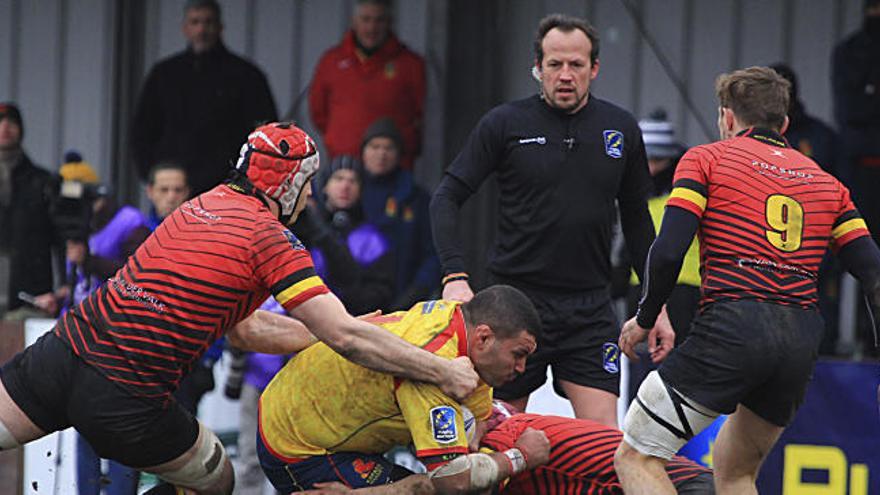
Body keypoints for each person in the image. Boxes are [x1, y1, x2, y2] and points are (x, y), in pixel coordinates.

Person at [0, 122, 479, 495]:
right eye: (307, 183)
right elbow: (348, 339)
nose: (311, 195)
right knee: (218, 479)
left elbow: (245, 330)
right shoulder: (271, 237)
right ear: (289, 186)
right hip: (126, 393)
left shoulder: (198, 206)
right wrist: (441, 370)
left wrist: (328, 331)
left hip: (63, 352)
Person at [614, 66, 880, 495]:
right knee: (735, 471)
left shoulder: (705, 159)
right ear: (786, 125)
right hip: (798, 341)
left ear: (727, 118)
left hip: (732, 325)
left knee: (637, 456)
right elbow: (874, 274)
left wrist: (645, 317)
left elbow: (667, 251)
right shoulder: (829, 185)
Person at [431, 13, 669, 427]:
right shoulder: (504, 124)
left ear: (594, 69)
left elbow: (638, 225)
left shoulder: (620, 129)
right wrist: (455, 275)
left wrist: (656, 303)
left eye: (576, 65)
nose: (565, 75)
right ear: (537, 68)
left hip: (589, 309)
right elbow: (446, 197)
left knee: (603, 446)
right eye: (554, 64)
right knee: (497, 438)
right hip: (514, 303)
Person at [257, 285, 548, 494]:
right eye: (518, 354)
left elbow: (479, 422)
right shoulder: (437, 372)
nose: (521, 367)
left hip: (301, 407)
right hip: (296, 446)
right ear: (484, 338)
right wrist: (519, 457)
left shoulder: (460, 323)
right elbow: (452, 481)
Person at [35, 154, 149, 495]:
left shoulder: (131, 223)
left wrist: (91, 260)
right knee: (83, 427)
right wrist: (64, 294)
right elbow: (87, 285)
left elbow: (139, 278)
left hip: (122, 344)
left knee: (118, 430)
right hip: (84, 343)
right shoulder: (81, 231)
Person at [131, 0, 277, 195]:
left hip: (227, 188)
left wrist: (245, 181)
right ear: (185, 28)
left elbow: (264, 133)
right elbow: (142, 131)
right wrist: (154, 176)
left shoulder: (246, 76)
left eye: (208, 22)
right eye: (195, 22)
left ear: (220, 27)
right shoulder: (165, 74)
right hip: (174, 189)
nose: (201, 30)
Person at [480, 401, 714, 494]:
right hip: (702, 481)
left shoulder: (506, 435)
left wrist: (518, 457)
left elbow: (460, 484)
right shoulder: (518, 421)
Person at [308, 0, 425, 169]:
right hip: (344, 166)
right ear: (354, 21)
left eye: (379, 20)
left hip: (393, 169)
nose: (372, 28)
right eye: (366, 19)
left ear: (389, 23)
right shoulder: (331, 61)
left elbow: (419, 114)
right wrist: (340, 138)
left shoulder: (410, 64)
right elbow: (318, 112)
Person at [295, 155, 395, 314]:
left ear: (361, 190)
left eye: (353, 181)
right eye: (338, 178)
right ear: (324, 186)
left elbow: (380, 294)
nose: (345, 186)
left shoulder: (372, 239)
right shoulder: (303, 229)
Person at [359, 119, 440, 310]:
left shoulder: (415, 197)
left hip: (404, 302)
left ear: (399, 154)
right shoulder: (349, 192)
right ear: (363, 152)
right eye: (375, 146)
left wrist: (416, 293)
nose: (381, 154)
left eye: (389, 148)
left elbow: (433, 255)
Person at [0, 102, 62, 320]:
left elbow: (62, 238)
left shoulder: (42, 182)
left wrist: (63, 286)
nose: (5, 127)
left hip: (30, 297)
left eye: (12, 122)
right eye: (0, 122)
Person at [832, 0, 880, 240]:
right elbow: (850, 110)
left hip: (859, 155)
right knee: (855, 238)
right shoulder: (850, 51)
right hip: (858, 165)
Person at [145, 162, 191, 230]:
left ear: (186, 193)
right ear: (150, 192)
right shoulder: (138, 231)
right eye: (164, 190)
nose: (171, 198)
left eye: (178, 190)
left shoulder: (198, 231)